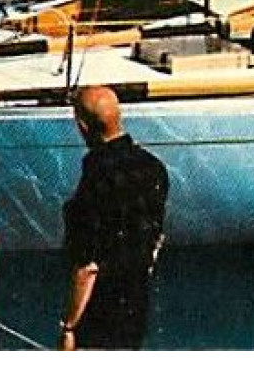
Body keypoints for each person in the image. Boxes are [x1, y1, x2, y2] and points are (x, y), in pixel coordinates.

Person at [58, 85, 169, 350]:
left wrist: (69, 326)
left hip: (100, 311)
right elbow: (155, 242)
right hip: (137, 305)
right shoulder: (154, 168)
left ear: (83, 126)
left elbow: (87, 267)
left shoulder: (95, 179)